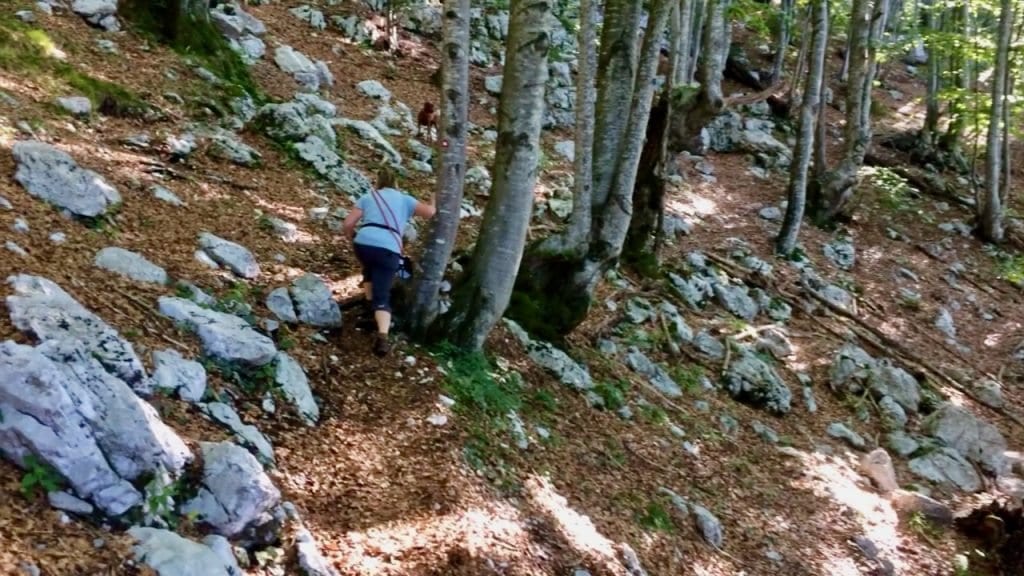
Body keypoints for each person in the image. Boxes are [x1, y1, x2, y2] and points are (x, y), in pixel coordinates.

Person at [342, 167, 435, 356]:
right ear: (396, 183)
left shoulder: (369, 197)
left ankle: (369, 310)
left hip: (363, 244)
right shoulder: (405, 199)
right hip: (388, 249)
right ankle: (383, 337)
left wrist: (352, 237)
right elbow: (429, 213)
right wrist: (434, 198)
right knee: (383, 294)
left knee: (369, 269)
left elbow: (348, 224)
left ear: (378, 182)